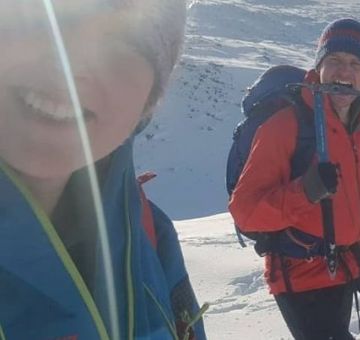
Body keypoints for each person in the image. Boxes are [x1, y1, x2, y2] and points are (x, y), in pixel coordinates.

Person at [0, 1, 207, 339]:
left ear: (147, 103)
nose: (68, 66)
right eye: (40, 19)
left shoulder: (150, 236)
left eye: (122, 42)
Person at [228, 18, 360, 339]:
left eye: (355, 63)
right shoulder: (286, 125)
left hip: (343, 266)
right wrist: (305, 191)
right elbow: (245, 211)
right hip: (300, 275)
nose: (344, 71)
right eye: (334, 61)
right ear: (318, 69)